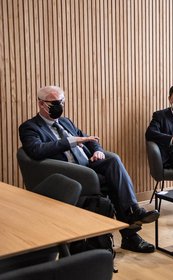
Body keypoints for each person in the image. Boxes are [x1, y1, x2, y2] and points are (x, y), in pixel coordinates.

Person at [19, 85, 160, 253]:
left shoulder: (65, 121)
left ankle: (134, 210)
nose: (60, 106)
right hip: (67, 174)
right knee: (113, 185)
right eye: (55, 102)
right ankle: (131, 235)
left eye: (62, 102)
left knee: (113, 160)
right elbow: (37, 150)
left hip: (87, 165)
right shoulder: (29, 127)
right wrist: (70, 141)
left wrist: (98, 151)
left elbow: (88, 139)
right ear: (41, 104)